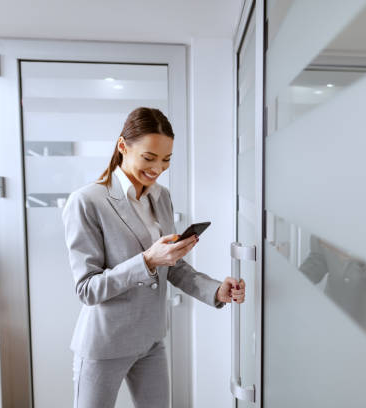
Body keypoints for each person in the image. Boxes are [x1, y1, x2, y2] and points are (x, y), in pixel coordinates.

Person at [62, 107, 246, 408]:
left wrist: (216, 289)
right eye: (149, 158)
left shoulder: (160, 195)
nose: (157, 168)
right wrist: (147, 260)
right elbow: (87, 289)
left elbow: (171, 266)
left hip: (150, 341)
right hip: (104, 344)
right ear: (123, 147)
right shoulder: (87, 201)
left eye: (166, 160)